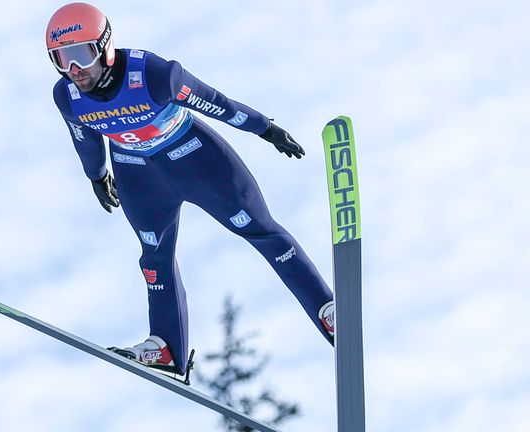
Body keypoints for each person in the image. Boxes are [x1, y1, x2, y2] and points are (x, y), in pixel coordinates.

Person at [47, 2, 335, 376]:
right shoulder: (67, 95)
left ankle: (327, 310)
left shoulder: (153, 74)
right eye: (60, 59)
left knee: (261, 230)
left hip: (195, 160)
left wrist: (265, 128)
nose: (73, 70)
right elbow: (83, 137)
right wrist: (98, 175)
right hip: (138, 174)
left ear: (105, 45)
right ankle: (166, 348)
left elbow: (215, 103)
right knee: (154, 256)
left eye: (80, 55)